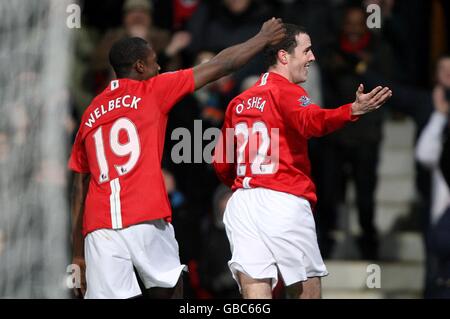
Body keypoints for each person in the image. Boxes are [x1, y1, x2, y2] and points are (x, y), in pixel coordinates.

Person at [68, 18, 286, 299]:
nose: (159, 67)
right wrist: (262, 38)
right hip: (143, 214)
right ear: (139, 67)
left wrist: (78, 255)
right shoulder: (154, 89)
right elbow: (222, 64)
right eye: (155, 61)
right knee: (171, 288)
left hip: (98, 228)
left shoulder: (90, 112)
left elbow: (78, 188)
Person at [212, 23, 392, 299]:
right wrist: (352, 110)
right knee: (306, 290)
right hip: (282, 200)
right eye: (306, 50)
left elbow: (221, 162)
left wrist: (247, 183)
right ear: (284, 56)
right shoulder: (287, 92)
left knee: (255, 289)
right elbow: (312, 122)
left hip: (243, 203)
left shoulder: (239, 101)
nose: (312, 57)